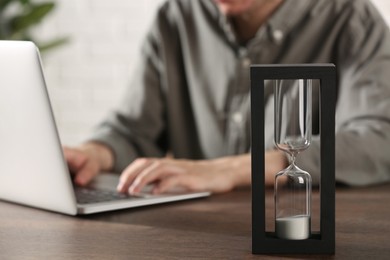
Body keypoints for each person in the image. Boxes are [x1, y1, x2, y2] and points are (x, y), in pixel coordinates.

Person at [64, 0, 390, 195]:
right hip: (194, 237)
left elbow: (379, 140)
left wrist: (234, 169)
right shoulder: (177, 15)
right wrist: (94, 152)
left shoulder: (350, 18)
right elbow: (134, 131)